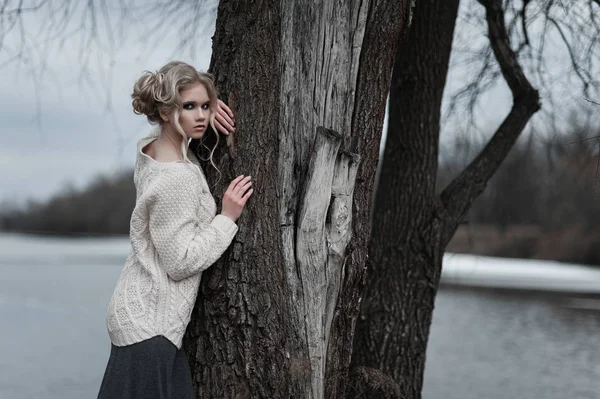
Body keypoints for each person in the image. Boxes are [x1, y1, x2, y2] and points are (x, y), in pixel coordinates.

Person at [97, 61, 253, 399]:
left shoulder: (151, 149)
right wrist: (226, 218)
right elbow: (180, 261)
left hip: (141, 320)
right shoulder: (176, 177)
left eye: (205, 106)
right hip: (150, 330)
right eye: (189, 107)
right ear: (166, 111)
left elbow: (166, 131)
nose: (200, 115)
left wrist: (204, 114)